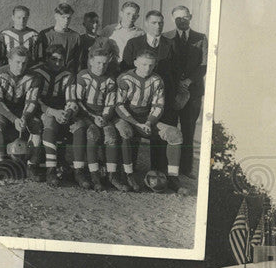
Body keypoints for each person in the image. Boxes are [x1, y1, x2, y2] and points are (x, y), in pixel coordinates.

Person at [122, 10, 185, 175]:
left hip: (163, 98)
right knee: (132, 135)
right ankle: (130, 171)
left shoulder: (171, 44)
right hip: (137, 100)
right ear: (146, 24)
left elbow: (177, 72)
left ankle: (158, 173)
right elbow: (126, 68)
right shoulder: (134, 43)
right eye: (154, 23)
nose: (158, 26)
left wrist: (176, 95)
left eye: (160, 23)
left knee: (161, 138)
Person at [115, 48, 183, 193]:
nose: (148, 68)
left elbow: (159, 105)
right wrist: (135, 123)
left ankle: (172, 177)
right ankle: (128, 174)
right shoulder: (125, 79)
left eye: (151, 65)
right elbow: (119, 105)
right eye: (144, 64)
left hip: (146, 120)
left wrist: (148, 123)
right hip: (127, 118)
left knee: (175, 134)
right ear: (136, 63)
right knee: (125, 132)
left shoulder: (156, 80)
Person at [69, 43, 123, 191]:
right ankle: (83, 172)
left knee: (111, 134)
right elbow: (78, 100)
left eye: (104, 63)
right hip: (84, 114)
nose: (101, 66)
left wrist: (104, 117)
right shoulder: (83, 76)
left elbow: (110, 103)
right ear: (91, 61)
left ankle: (112, 175)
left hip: (102, 116)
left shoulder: (110, 80)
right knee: (88, 132)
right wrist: (93, 117)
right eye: (98, 62)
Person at [0, 45, 44, 179]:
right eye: (17, 62)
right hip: (4, 111)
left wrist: (24, 117)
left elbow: (32, 101)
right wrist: (14, 119)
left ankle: (32, 166)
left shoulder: (35, 77)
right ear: (9, 61)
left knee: (36, 125)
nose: (21, 66)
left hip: (24, 112)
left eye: (24, 63)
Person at [167, 5, 207, 177]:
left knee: (188, 129)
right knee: (169, 127)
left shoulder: (201, 38)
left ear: (191, 17)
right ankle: (166, 166)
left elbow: (204, 64)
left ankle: (186, 168)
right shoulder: (166, 37)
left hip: (193, 91)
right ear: (172, 18)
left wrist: (189, 81)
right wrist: (176, 84)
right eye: (178, 18)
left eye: (185, 17)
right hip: (172, 90)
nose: (182, 21)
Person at [31, 43, 77, 186]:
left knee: (70, 124)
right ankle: (50, 169)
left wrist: (67, 112)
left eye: (60, 60)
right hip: (37, 109)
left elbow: (71, 99)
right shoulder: (36, 72)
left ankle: (62, 163)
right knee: (49, 122)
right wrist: (52, 112)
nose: (57, 63)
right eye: (53, 59)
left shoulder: (68, 74)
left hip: (59, 110)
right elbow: (33, 99)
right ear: (46, 59)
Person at [34, 3, 80, 69]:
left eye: (69, 18)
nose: (66, 21)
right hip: (48, 72)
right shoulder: (45, 34)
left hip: (68, 73)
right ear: (56, 16)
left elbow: (77, 60)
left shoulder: (75, 36)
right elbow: (40, 58)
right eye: (63, 17)